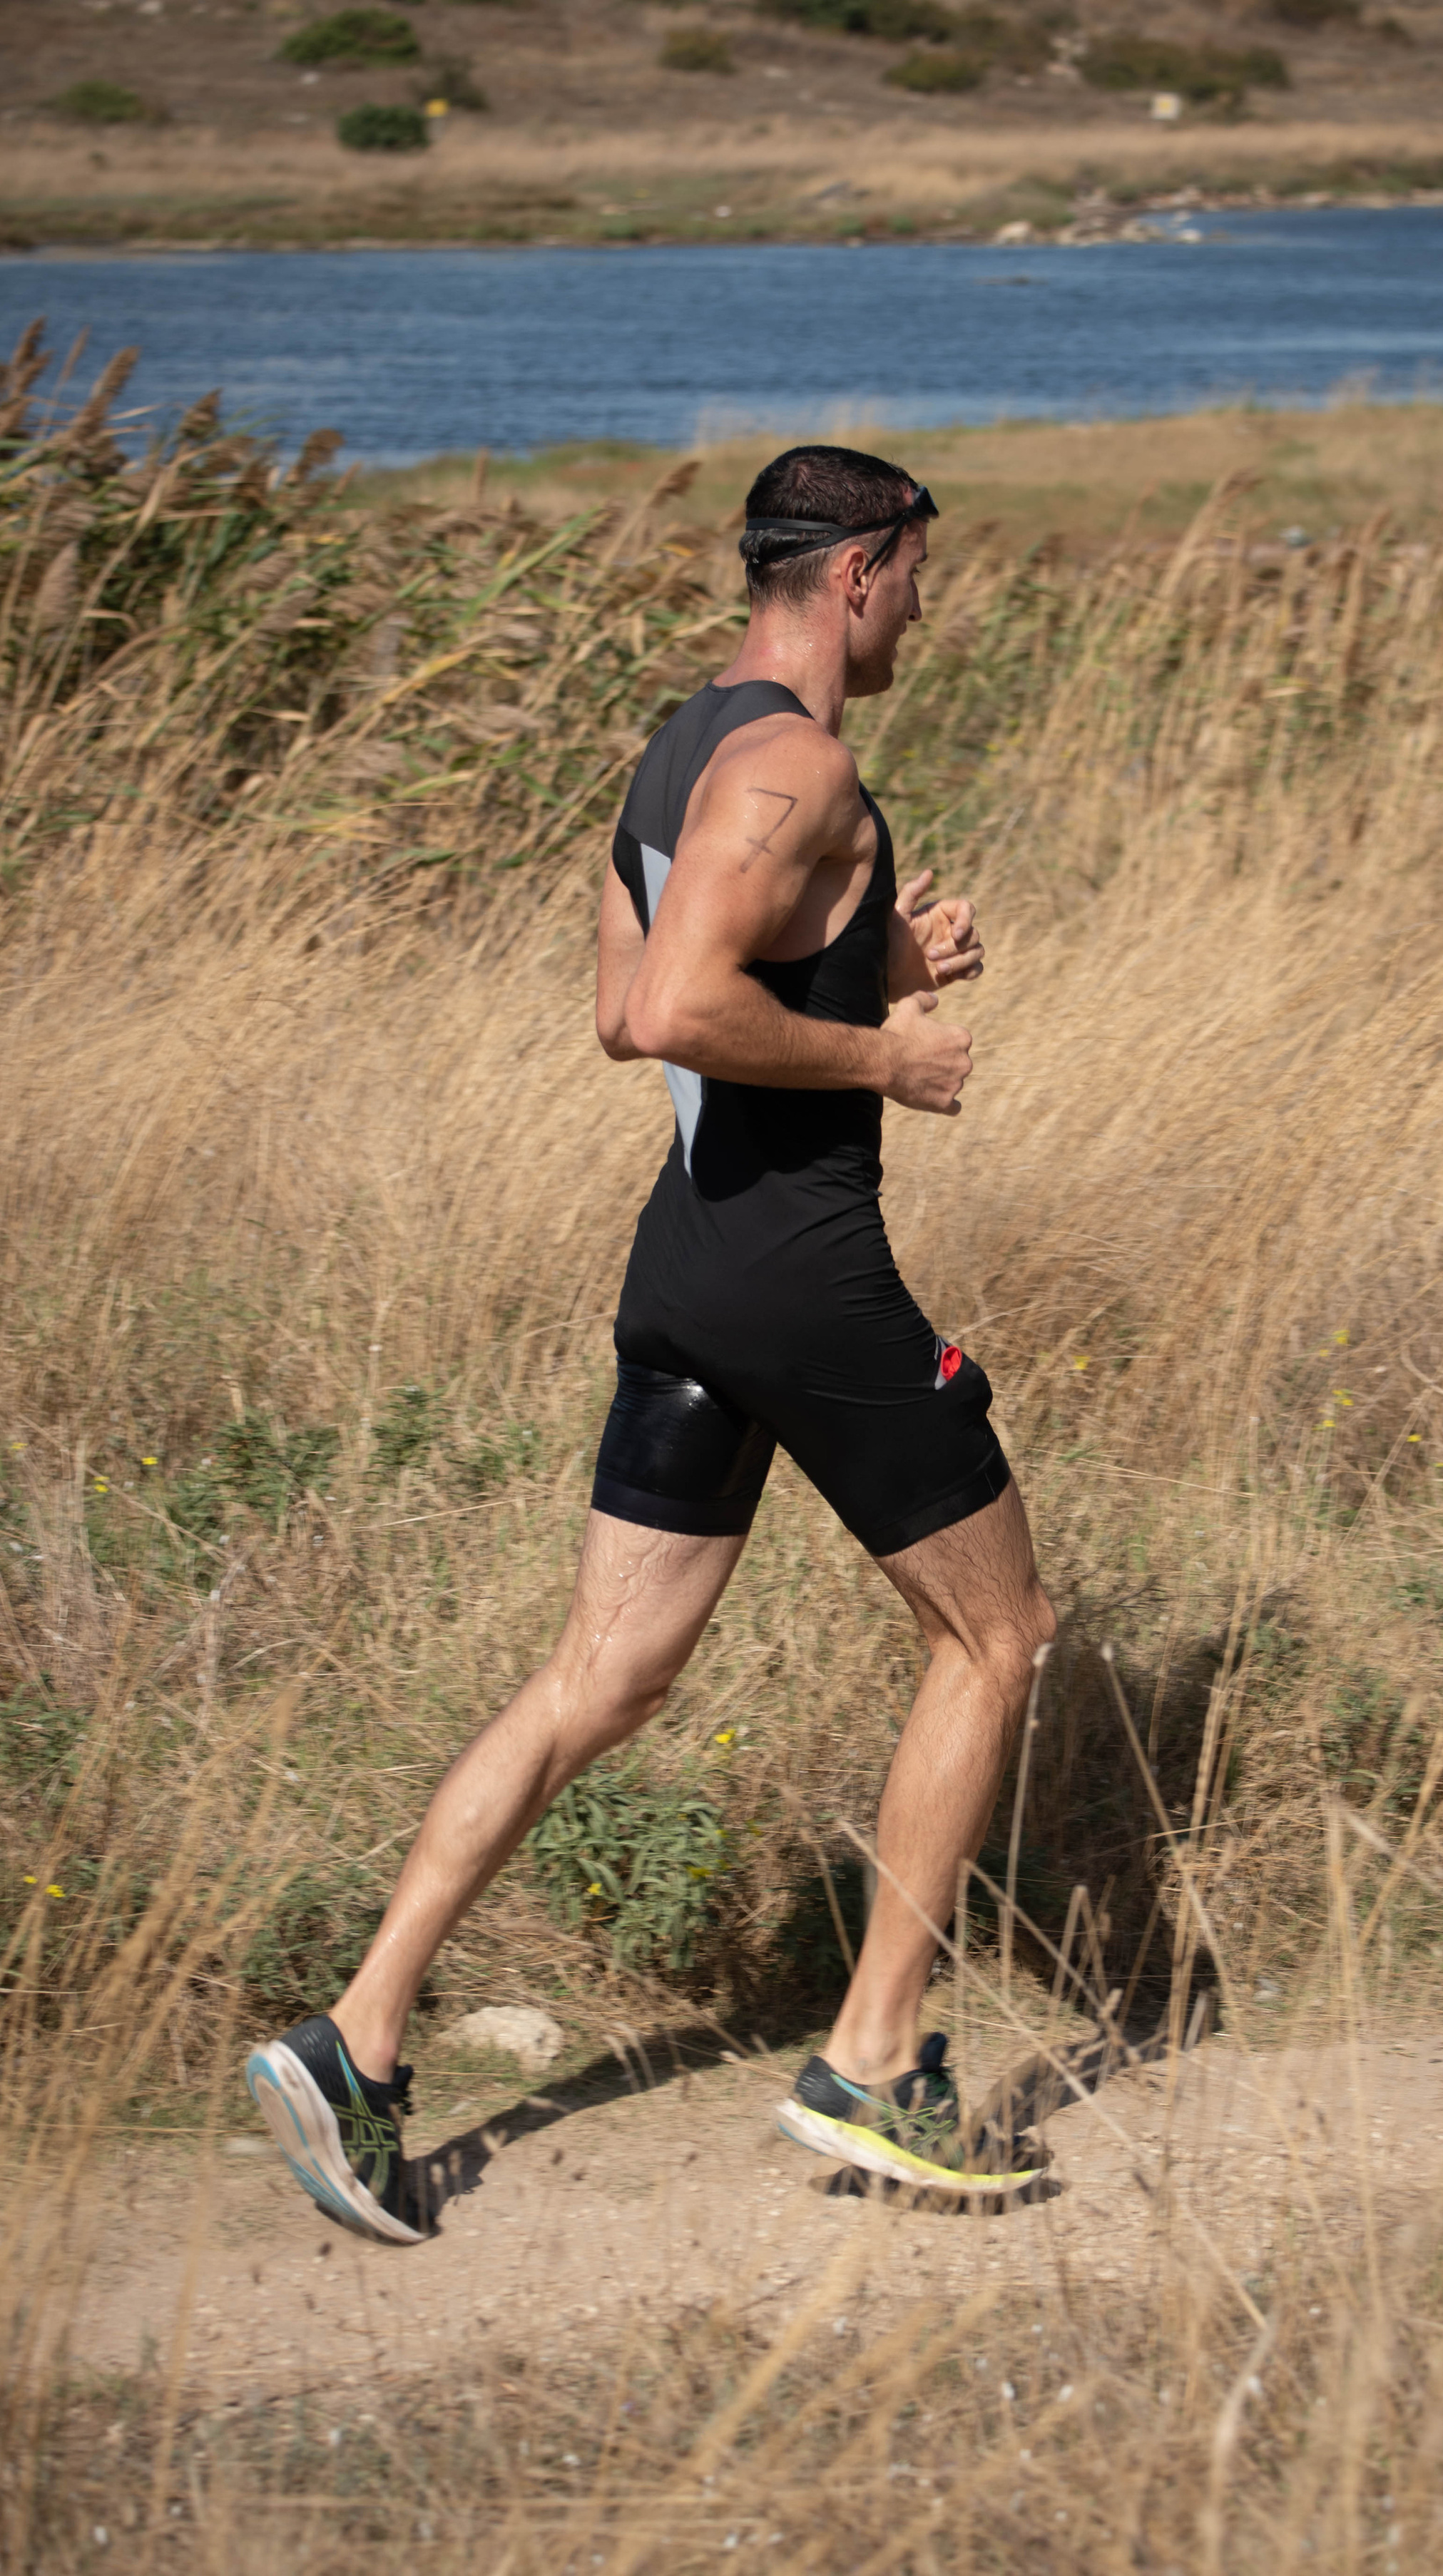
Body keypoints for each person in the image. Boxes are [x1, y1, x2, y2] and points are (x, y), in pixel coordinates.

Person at [246, 445, 1056, 2239]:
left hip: (687, 1269)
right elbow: (678, 1010)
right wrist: (887, 1060)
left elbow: (637, 1006)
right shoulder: (796, 762)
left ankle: (359, 2043)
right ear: (856, 571)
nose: (925, 601)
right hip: (800, 1283)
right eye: (917, 571)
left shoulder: (685, 748)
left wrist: (876, 974)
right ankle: (872, 2065)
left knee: (601, 1676)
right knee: (998, 1636)